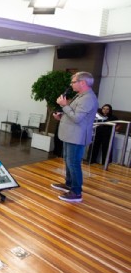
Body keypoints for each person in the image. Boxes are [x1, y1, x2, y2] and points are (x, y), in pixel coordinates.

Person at [51, 71, 98, 203]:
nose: (71, 84)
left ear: (82, 83)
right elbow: (74, 115)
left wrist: (64, 106)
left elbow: (77, 118)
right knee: (68, 160)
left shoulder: (88, 98)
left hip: (77, 136)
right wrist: (61, 115)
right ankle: (69, 184)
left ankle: (76, 192)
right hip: (71, 134)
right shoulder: (80, 95)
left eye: (73, 82)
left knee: (74, 163)